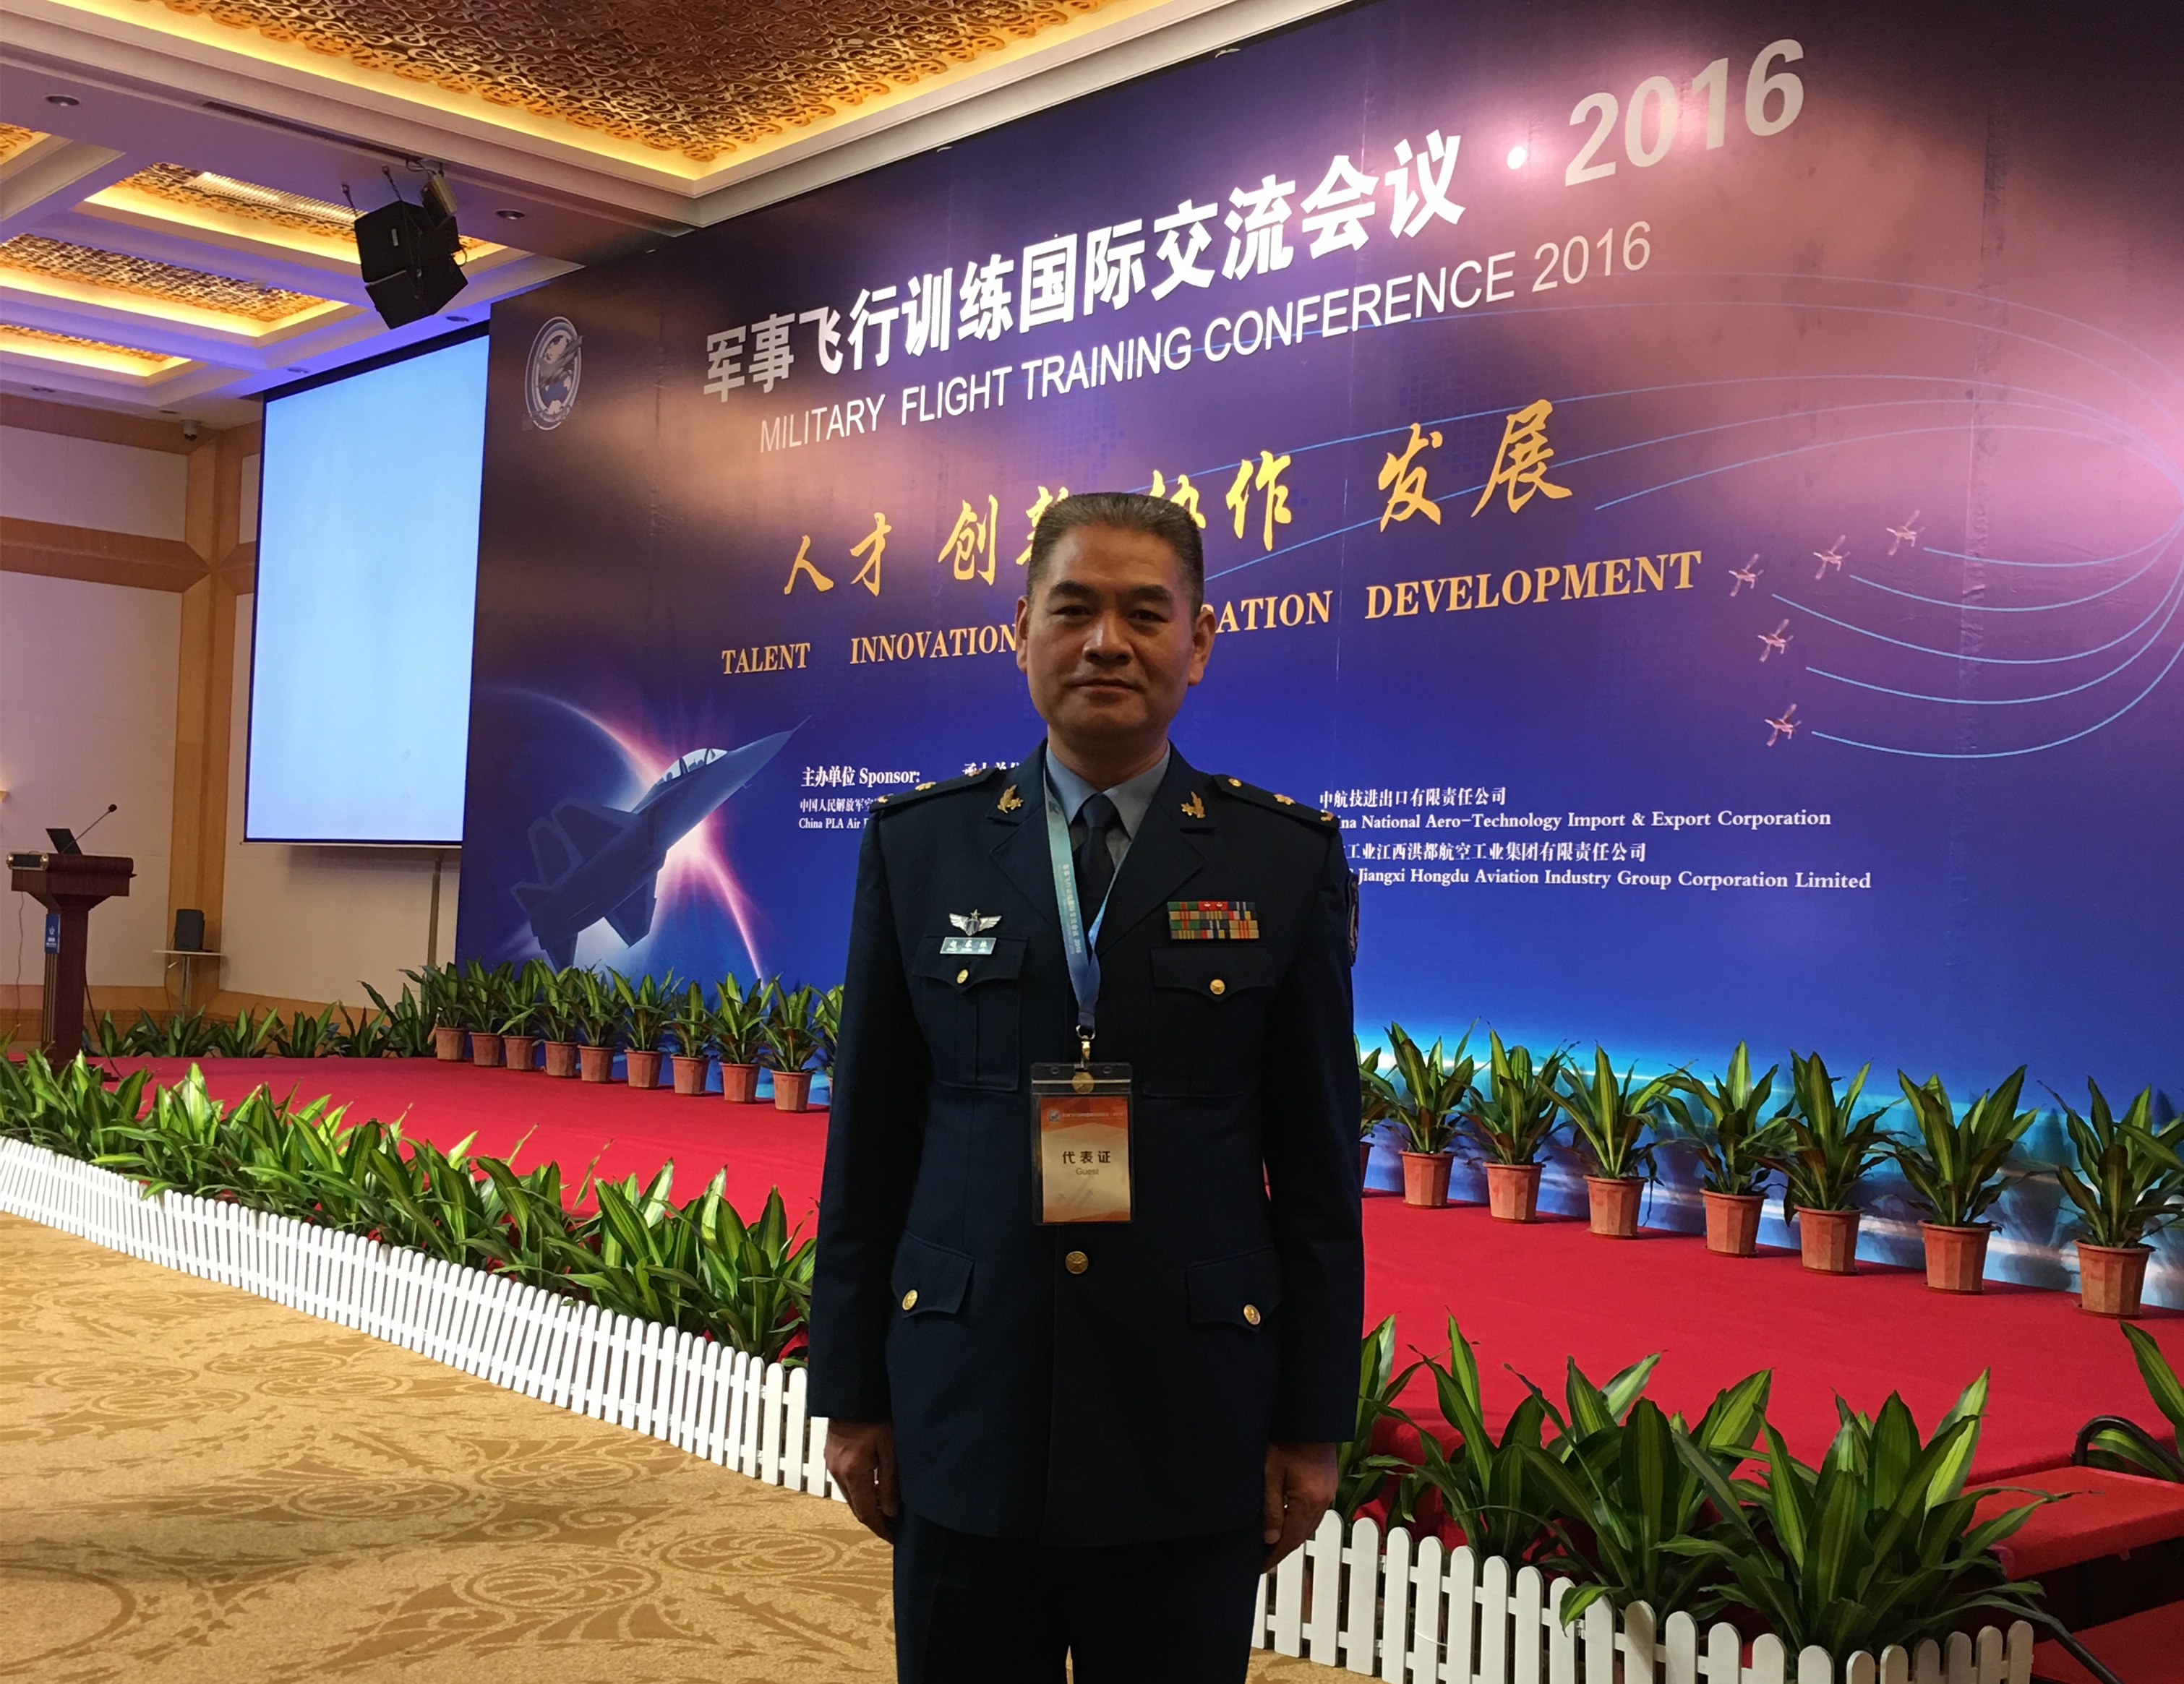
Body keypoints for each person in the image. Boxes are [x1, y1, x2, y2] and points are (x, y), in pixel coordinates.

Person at [809, 491, 1364, 1683]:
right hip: (969, 1400)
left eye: (1144, 613)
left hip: (1187, 1418)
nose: (1106, 642)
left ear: (1198, 642)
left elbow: (1319, 1172)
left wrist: (1312, 1421)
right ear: (1020, 630)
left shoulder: (1283, 860)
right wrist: (852, 1392)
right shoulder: (919, 846)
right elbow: (868, 1142)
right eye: (1073, 609)